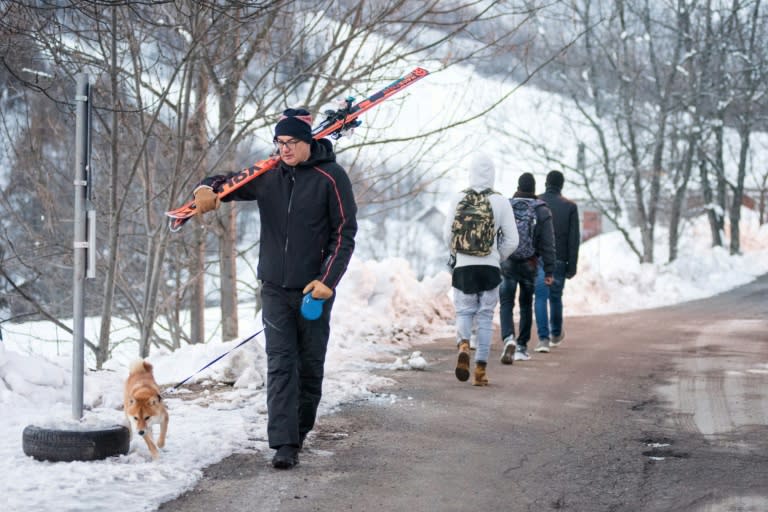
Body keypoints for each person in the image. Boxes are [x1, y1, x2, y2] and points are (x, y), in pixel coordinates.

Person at [193, 108, 357, 470]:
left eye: (291, 143)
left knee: (309, 364)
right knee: (282, 363)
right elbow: (227, 183)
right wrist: (206, 188)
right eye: (279, 143)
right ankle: (284, 443)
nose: (283, 149)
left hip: (314, 289)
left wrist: (327, 281)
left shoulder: (331, 177)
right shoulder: (269, 176)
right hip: (273, 287)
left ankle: (298, 430)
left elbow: (344, 233)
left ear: (307, 142)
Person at [444, 153, 517, 386]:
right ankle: (480, 372)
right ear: (493, 174)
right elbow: (512, 240)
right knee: (485, 317)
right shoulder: (501, 201)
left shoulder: (458, 199)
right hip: (489, 268)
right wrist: (497, 256)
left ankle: (464, 344)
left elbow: (448, 235)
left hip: (464, 268)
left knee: (464, 312)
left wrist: (458, 255)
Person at [498, 173, 555, 363]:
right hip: (530, 263)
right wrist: (549, 270)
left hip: (507, 260)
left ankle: (508, 338)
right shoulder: (541, 210)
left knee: (506, 303)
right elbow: (548, 243)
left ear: (518, 186)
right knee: (525, 304)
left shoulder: (506, 206)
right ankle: (521, 347)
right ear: (534, 188)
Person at [534, 170, 580, 349]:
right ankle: (555, 334)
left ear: (546, 183)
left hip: (538, 258)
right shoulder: (569, 206)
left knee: (540, 297)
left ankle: (543, 339)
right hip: (559, 258)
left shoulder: (536, 202)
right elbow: (573, 239)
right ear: (561, 185)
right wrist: (572, 265)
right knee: (555, 297)